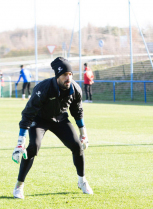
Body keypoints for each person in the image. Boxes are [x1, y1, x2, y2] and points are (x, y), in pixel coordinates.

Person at [11, 57, 93, 199]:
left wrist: (83, 133)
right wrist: (20, 142)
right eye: (64, 75)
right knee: (33, 147)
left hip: (60, 119)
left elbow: (77, 111)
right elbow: (28, 114)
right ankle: (19, 186)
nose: (68, 78)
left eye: (70, 74)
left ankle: (82, 181)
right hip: (40, 119)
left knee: (77, 146)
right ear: (57, 76)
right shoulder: (42, 88)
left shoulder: (75, 89)